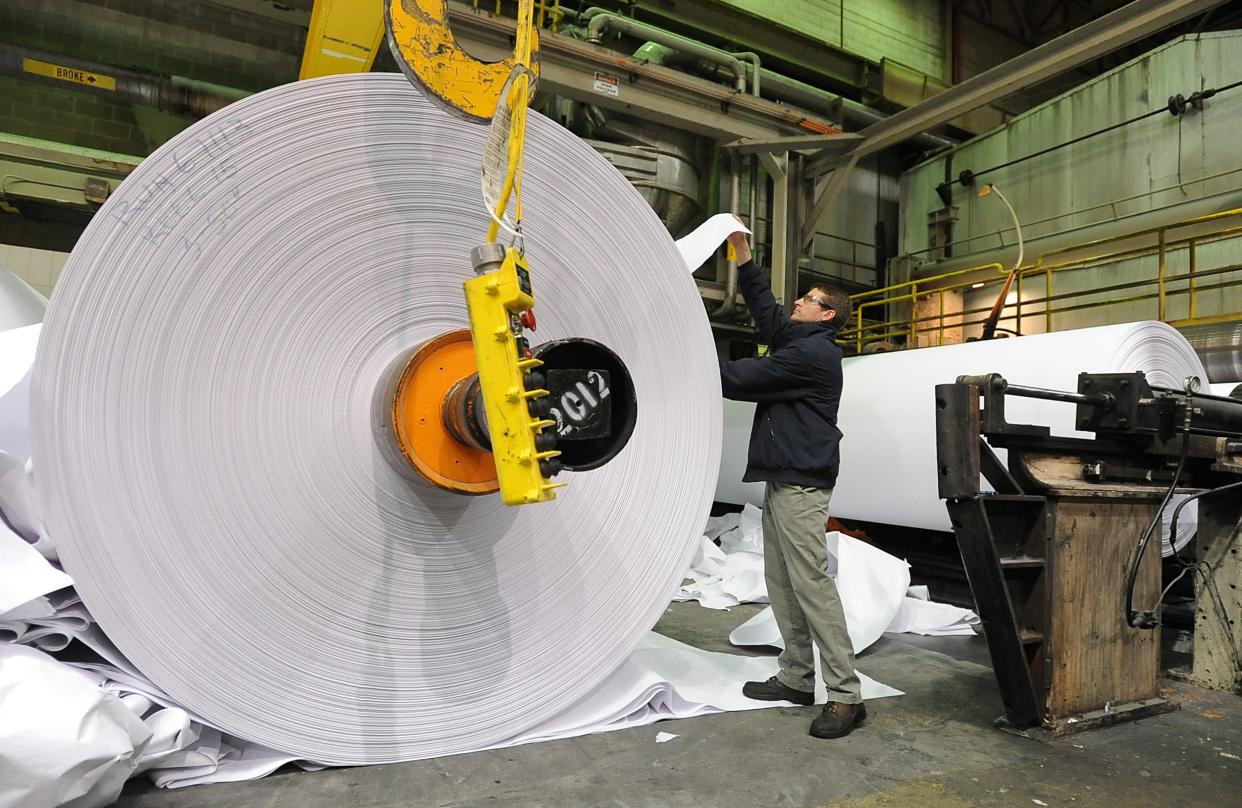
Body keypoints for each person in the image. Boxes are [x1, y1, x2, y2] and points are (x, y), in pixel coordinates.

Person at [718, 227, 864, 739]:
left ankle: (846, 696)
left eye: (808, 299)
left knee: (811, 585)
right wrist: (744, 259)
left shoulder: (812, 356)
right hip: (784, 478)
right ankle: (797, 678)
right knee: (781, 582)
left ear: (827, 315)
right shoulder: (800, 340)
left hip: (802, 484)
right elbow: (769, 317)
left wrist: (686, 357)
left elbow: (739, 380)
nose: (798, 301)